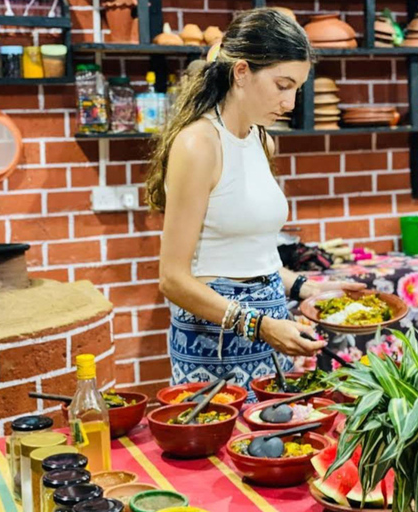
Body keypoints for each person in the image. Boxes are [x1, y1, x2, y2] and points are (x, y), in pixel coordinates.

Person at [146, 8, 364, 400]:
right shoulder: (199, 145)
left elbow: (252, 257)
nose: (291, 101)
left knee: (268, 448)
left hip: (269, 330)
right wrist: (259, 325)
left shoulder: (262, 140)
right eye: (282, 84)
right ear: (241, 72)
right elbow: (173, 279)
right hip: (213, 343)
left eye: (297, 87)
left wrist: (306, 286)